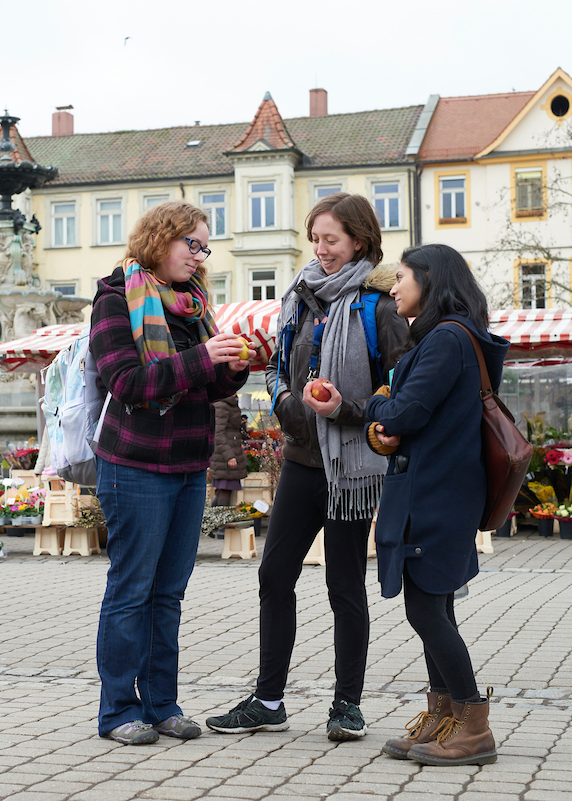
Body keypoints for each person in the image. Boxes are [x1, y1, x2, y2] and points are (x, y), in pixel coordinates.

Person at [207, 192, 409, 742]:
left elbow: (405, 396)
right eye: (315, 238)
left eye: (332, 240)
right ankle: (268, 700)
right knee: (274, 575)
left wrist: (344, 409)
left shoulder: (380, 307)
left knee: (344, 585)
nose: (320, 250)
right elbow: (276, 364)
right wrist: (285, 402)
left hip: (353, 467)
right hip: (300, 458)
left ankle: (347, 706)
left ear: (359, 241)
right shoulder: (298, 296)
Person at [89, 200, 250, 745]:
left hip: (187, 463)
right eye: (193, 244)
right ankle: (117, 712)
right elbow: (127, 383)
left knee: (169, 594)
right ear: (161, 239)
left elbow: (201, 386)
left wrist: (231, 367)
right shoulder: (116, 298)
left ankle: (162, 705)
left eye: (206, 247)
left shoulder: (193, 305)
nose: (201, 255)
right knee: (131, 590)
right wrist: (205, 358)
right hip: (134, 463)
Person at [365, 243, 509, 767]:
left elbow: (405, 414)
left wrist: (380, 402)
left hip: (436, 491)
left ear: (430, 281)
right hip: (442, 487)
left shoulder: (447, 338)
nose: (394, 286)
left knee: (425, 607)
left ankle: (472, 723)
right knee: (434, 603)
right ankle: (443, 714)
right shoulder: (450, 337)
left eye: (401, 277)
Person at [209, 394, 246, 507]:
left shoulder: (229, 403)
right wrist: (229, 456)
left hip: (228, 452)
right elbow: (218, 434)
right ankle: (221, 522)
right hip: (225, 456)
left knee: (222, 489)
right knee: (225, 488)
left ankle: (215, 520)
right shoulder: (222, 405)